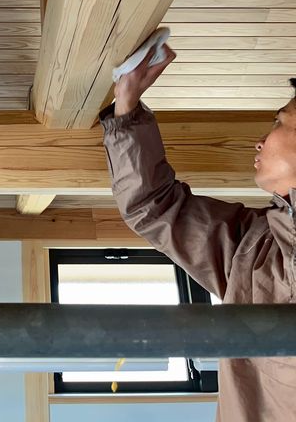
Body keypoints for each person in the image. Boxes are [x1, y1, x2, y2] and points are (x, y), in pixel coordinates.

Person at [99, 43, 296, 421]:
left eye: (278, 122)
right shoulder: (256, 249)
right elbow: (156, 207)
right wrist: (127, 106)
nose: (261, 140)